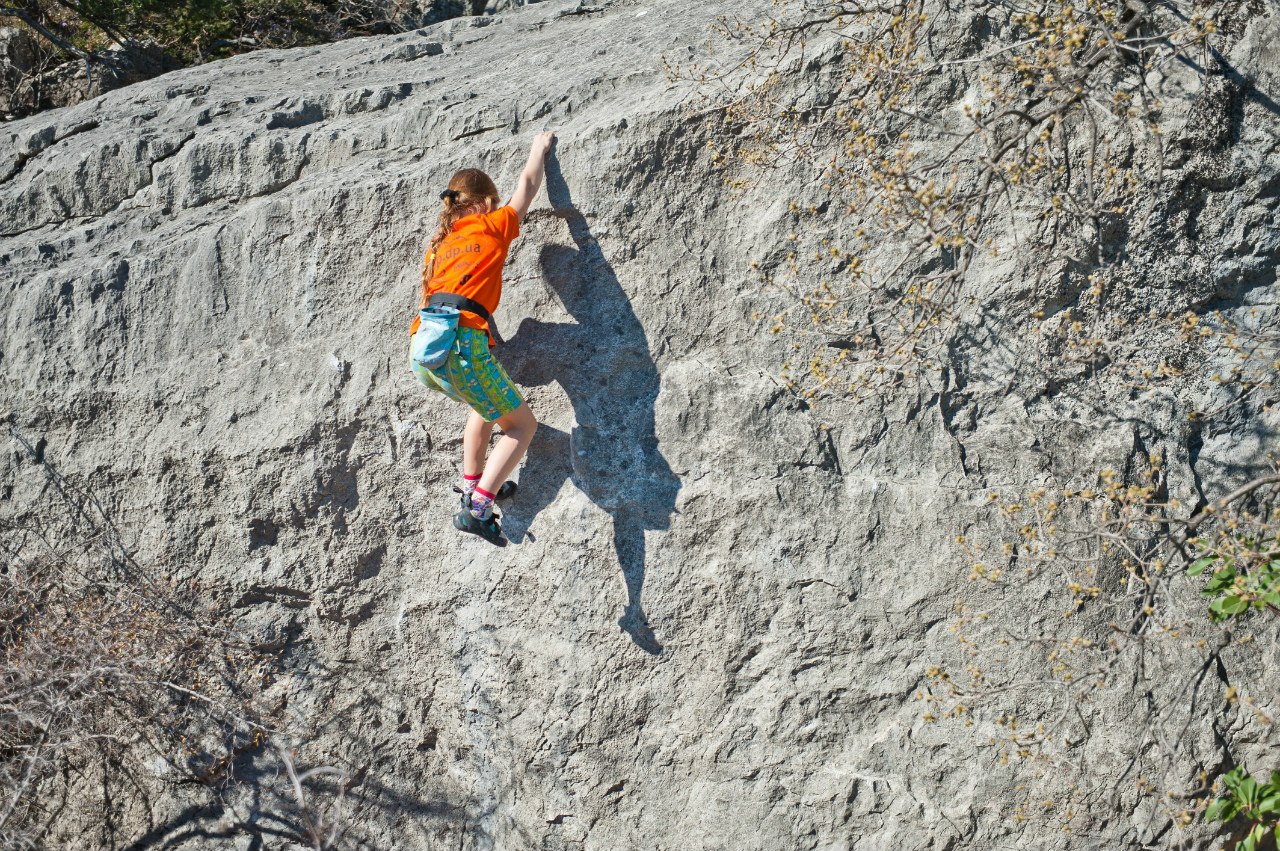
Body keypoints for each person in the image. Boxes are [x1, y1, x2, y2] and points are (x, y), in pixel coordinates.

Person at [410, 131, 554, 545]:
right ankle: (478, 507)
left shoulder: (440, 245)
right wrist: (537, 148)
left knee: (484, 407)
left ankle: (472, 484)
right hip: (462, 348)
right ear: (487, 203)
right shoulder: (493, 224)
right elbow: (526, 186)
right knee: (522, 427)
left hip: (424, 352)